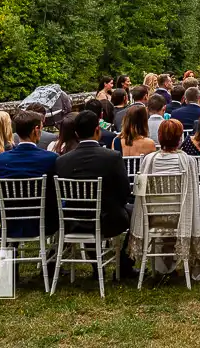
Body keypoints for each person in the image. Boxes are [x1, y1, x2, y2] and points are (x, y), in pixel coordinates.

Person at [127, 119, 200, 279]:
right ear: (180, 138)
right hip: (181, 216)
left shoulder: (149, 160)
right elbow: (193, 194)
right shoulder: (188, 161)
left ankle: (163, 267)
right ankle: (197, 266)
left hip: (153, 217)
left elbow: (141, 191)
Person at [54, 110, 134, 276]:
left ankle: (96, 264)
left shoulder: (62, 161)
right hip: (108, 221)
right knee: (137, 212)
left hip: (73, 221)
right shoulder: (112, 157)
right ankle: (125, 265)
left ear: (76, 133)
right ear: (98, 130)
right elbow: (125, 190)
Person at [0, 110, 59, 240]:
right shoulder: (51, 158)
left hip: (11, 222)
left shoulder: (0, 160)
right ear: (36, 129)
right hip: (44, 223)